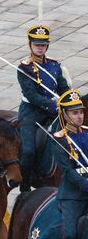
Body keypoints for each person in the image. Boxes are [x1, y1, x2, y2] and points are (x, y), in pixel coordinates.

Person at [18, 24, 69, 192]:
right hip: (32, 114)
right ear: (30, 45)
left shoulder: (54, 66)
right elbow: (31, 95)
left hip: (54, 112)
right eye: (36, 44)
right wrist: (53, 105)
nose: (40, 48)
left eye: (43, 45)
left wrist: (69, 100)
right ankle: (25, 186)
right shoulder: (24, 68)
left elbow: (62, 88)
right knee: (28, 150)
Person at [52, 89, 88, 239]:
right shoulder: (60, 140)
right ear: (65, 115)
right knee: (71, 235)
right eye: (74, 113)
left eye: (81, 112)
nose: (79, 116)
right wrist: (86, 184)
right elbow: (68, 170)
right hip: (72, 195)